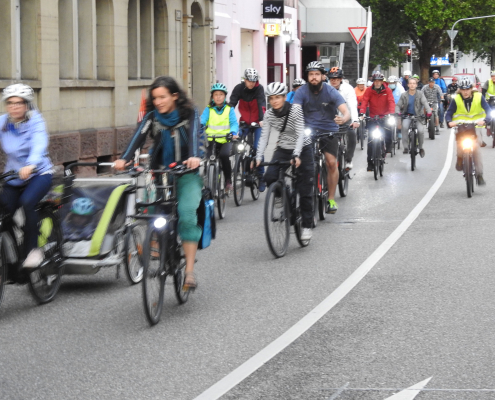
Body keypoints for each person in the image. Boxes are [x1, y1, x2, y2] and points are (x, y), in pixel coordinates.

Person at [114, 76, 204, 291]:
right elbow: (138, 137)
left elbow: (194, 137)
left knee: (187, 214)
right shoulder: (152, 117)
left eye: (163, 97)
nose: (158, 102)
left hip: (187, 173)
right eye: (155, 98)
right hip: (161, 173)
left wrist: (194, 157)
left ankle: (189, 272)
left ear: (174, 96)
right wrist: (124, 158)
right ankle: (159, 244)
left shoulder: (189, 113)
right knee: (155, 214)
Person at [0, 84, 54, 269]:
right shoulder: (3, 122)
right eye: (10, 103)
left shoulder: (35, 121)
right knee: (4, 209)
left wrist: (31, 164)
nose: (14, 107)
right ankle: (11, 255)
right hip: (13, 177)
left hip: (39, 174)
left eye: (18, 103)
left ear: (26, 105)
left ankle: (33, 250)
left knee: (27, 202)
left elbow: (39, 143)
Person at [256, 82, 314, 240]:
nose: (274, 101)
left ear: (284, 97)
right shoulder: (268, 115)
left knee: (304, 189)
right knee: (269, 177)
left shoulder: (295, 110)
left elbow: (301, 133)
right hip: (283, 148)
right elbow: (264, 136)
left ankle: (307, 225)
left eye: (278, 98)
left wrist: (296, 154)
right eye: (271, 98)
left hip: (303, 148)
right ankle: (281, 196)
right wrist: (258, 156)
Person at [293, 61, 350, 214]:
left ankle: (331, 199)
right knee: (302, 164)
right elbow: (295, 111)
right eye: (311, 74)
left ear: (323, 76)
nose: (314, 77)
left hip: (328, 130)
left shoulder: (330, 91)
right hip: (308, 131)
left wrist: (343, 118)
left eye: (317, 74)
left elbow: (345, 110)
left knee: (331, 163)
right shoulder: (301, 92)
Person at [446, 78, 491, 185]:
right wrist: (449, 122)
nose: (465, 91)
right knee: (460, 145)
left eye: (467, 89)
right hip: (462, 126)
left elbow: (488, 110)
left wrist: (485, 120)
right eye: (462, 89)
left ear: (471, 88)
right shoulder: (456, 99)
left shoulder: (479, 96)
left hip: (476, 127)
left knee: (476, 148)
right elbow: (449, 113)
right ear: (459, 90)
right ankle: (460, 158)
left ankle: (479, 175)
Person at [229, 68, 266, 190]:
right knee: (236, 142)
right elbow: (231, 104)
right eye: (249, 80)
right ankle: (241, 169)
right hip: (244, 123)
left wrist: (261, 119)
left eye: (254, 81)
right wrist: (226, 119)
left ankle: (261, 176)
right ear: (244, 80)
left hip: (257, 123)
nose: (251, 83)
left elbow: (262, 104)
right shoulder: (238, 88)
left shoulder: (259, 89)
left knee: (257, 147)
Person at [201, 83, 238, 192]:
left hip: (225, 139)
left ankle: (228, 180)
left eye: (221, 94)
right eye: (216, 94)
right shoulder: (208, 109)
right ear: (212, 96)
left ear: (224, 96)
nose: (218, 97)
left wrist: (233, 132)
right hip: (211, 139)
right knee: (207, 159)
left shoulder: (229, 109)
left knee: (224, 155)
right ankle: (212, 180)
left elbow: (234, 123)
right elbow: (202, 120)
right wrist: (199, 126)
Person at [359, 71, 395, 171]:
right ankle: (370, 163)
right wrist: (362, 112)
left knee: (388, 132)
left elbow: (391, 101)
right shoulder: (369, 91)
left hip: (384, 116)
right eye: (376, 81)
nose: (378, 83)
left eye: (379, 81)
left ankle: (388, 147)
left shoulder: (387, 90)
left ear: (382, 82)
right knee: (370, 141)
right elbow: (365, 101)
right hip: (373, 117)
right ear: (373, 82)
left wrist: (391, 113)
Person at [328, 67, 359, 170]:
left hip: (346, 118)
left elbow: (352, 105)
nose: (334, 81)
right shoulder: (325, 88)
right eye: (332, 79)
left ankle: (349, 159)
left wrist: (355, 120)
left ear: (341, 79)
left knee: (351, 134)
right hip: (330, 120)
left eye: (337, 78)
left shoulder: (348, 88)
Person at [396, 77, 431, 157]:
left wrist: (429, 112)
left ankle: (421, 148)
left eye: (414, 83)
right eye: (410, 83)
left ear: (416, 85)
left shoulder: (420, 94)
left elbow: (425, 103)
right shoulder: (404, 95)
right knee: (404, 127)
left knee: (420, 131)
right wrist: (398, 112)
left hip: (418, 116)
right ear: (408, 85)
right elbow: (398, 105)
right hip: (407, 116)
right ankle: (405, 147)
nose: (412, 85)